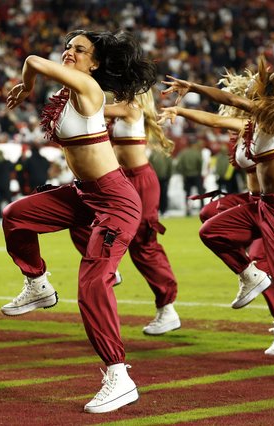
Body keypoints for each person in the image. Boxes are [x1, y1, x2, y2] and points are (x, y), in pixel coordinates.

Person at [3, 29, 156, 413]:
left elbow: (33, 62)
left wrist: (26, 86)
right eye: (67, 46)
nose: (69, 52)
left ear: (96, 62)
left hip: (115, 200)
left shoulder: (88, 88)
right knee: (16, 216)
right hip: (84, 194)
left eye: (79, 49)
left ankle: (119, 376)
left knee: (91, 284)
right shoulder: (73, 96)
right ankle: (37, 284)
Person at [161, 57, 274, 371]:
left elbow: (230, 100)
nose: (248, 93)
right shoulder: (257, 123)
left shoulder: (273, 120)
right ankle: (251, 276)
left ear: (265, 97)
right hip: (262, 205)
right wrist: (182, 105)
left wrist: (192, 87)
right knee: (211, 230)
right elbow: (217, 119)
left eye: (254, 89)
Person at [70, 89, 181, 336]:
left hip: (140, 180)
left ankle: (167, 308)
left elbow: (92, 106)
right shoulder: (121, 112)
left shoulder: (130, 108)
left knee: (143, 245)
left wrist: (73, 89)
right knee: (79, 221)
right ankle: (111, 268)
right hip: (118, 179)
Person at [175, 135, 204, 216]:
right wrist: (199, 172)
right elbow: (200, 163)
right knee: (201, 193)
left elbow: (178, 165)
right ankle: (202, 208)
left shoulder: (183, 153)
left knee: (187, 194)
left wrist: (183, 173)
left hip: (187, 176)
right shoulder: (197, 153)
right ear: (193, 144)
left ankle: (187, 210)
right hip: (196, 175)